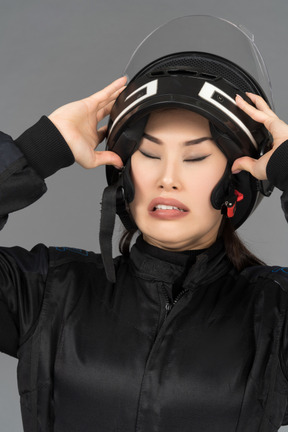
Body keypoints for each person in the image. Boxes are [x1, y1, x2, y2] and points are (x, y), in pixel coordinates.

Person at [1, 15, 288, 432]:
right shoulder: (48, 292)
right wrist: (38, 149)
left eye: (195, 157)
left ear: (236, 180)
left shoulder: (272, 315)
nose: (166, 177)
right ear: (123, 172)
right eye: (150, 155)